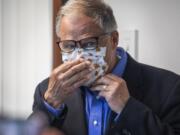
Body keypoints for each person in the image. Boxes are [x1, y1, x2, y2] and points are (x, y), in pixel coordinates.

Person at [29, 0, 180, 135]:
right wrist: (49, 105)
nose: (79, 57)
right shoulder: (45, 91)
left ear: (114, 40)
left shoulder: (170, 87)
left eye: (89, 43)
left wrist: (128, 109)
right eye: (69, 46)